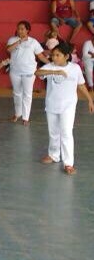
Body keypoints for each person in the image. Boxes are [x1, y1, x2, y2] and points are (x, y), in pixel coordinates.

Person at [36, 42, 94, 175]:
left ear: (66, 56)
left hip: (68, 106)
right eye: (53, 55)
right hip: (51, 104)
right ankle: (54, 155)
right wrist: (54, 71)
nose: (54, 57)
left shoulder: (75, 68)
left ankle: (68, 163)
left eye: (58, 55)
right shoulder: (50, 66)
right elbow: (37, 72)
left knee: (66, 133)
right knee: (53, 132)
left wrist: (90, 100)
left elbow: (81, 85)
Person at [5, 21, 47, 125]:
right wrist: (19, 41)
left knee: (27, 94)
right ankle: (17, 113)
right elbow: (8, 50)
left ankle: (25, 117)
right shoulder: (12, 40)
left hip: (29, 72)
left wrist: (51, 63)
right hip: (15, 71)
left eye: (22, 29)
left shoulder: (33, 42)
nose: (20, 31)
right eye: (18, 28)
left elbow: (40, 56)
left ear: (27, 30)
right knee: (17, 93)